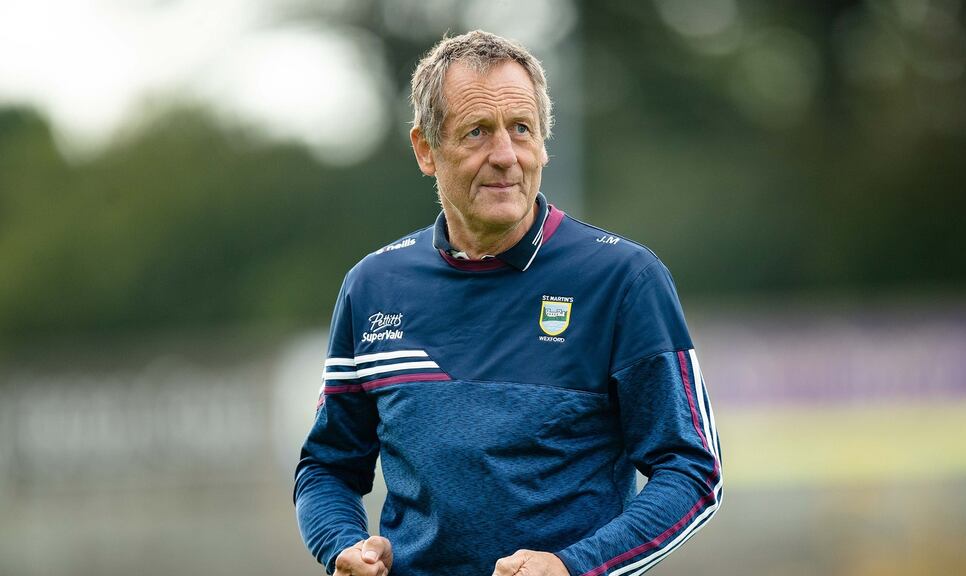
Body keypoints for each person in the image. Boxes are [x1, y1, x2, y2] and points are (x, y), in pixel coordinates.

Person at [294, 30, 722, 576]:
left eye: (521, 129)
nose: (505, 155)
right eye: (477, 132)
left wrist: (574, 566)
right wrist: (340, 545)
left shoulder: (623, 279)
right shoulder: (372, 286)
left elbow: (690, 469)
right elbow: (327, 465)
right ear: (426, 149)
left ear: (544, 142)